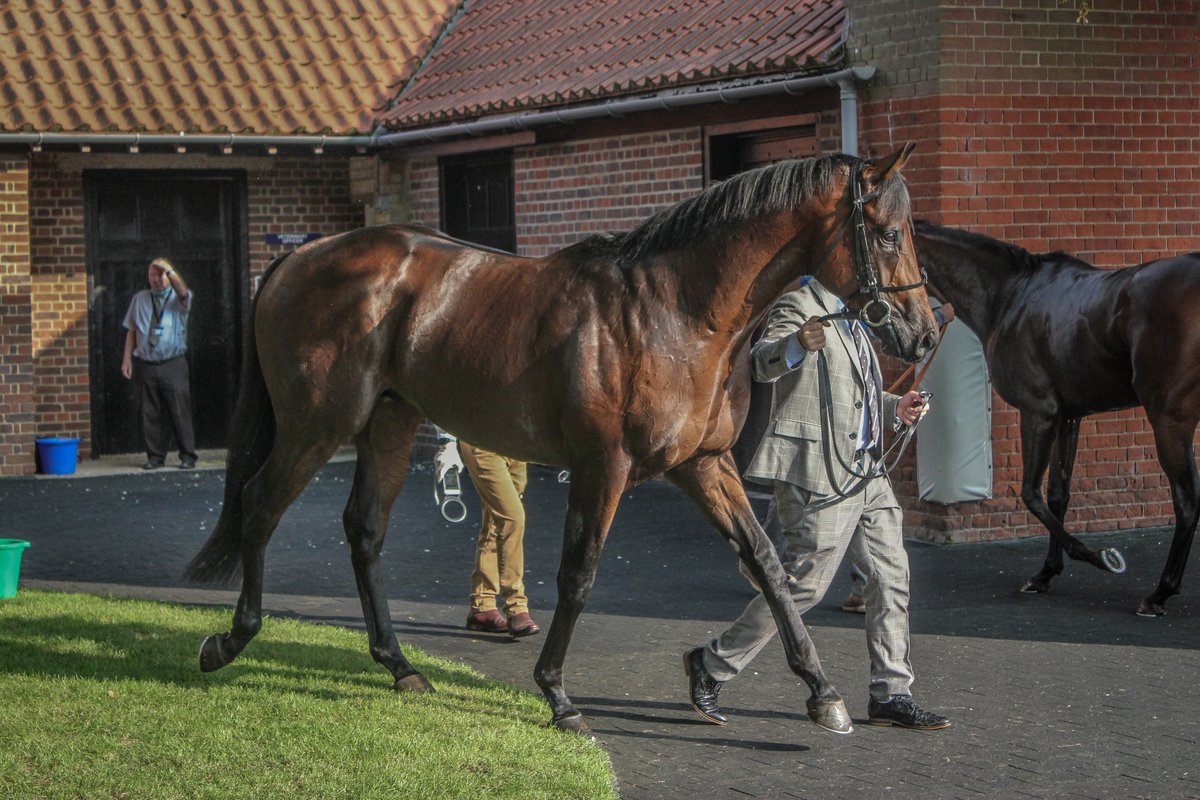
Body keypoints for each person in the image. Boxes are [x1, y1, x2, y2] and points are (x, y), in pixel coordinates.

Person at [684, 278, 950, 732]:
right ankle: (711, 664)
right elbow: (761, 363)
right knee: (806, 585)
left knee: (891, 578)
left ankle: (892, 692)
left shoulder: (856, 313)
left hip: (869, 472)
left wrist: (894, 407)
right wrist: (796, 344)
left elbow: (853, 394)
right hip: (819, 471)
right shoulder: (797, 303)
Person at [837, 301, 956, 615]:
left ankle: (865, 587)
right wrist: (941, 316)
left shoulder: (851, 315)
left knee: (877, 544)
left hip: (860, 455)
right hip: (834, 449)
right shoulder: (836, 310)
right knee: (804, 567)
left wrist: (894, 406)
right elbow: (890, 331)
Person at [434, 430, 540, 637]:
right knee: (512, 517)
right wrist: (446, 442)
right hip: (480, 439)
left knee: (496, 521)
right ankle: (516, 606)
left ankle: (482, 607)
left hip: (517, 443)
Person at [121, 258, 197, 470]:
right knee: (150, 412)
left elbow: (183, 292)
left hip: (173, 363)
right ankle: (155, 457)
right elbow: (132, 330)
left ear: (168, 276)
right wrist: (127, 359)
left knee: (179, 411)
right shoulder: (140, 299)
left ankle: (188, 456)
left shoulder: (177, 299)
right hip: (147, 363)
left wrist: (170, 269)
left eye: (160, 275)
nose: (155, 279)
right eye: (152, 275)